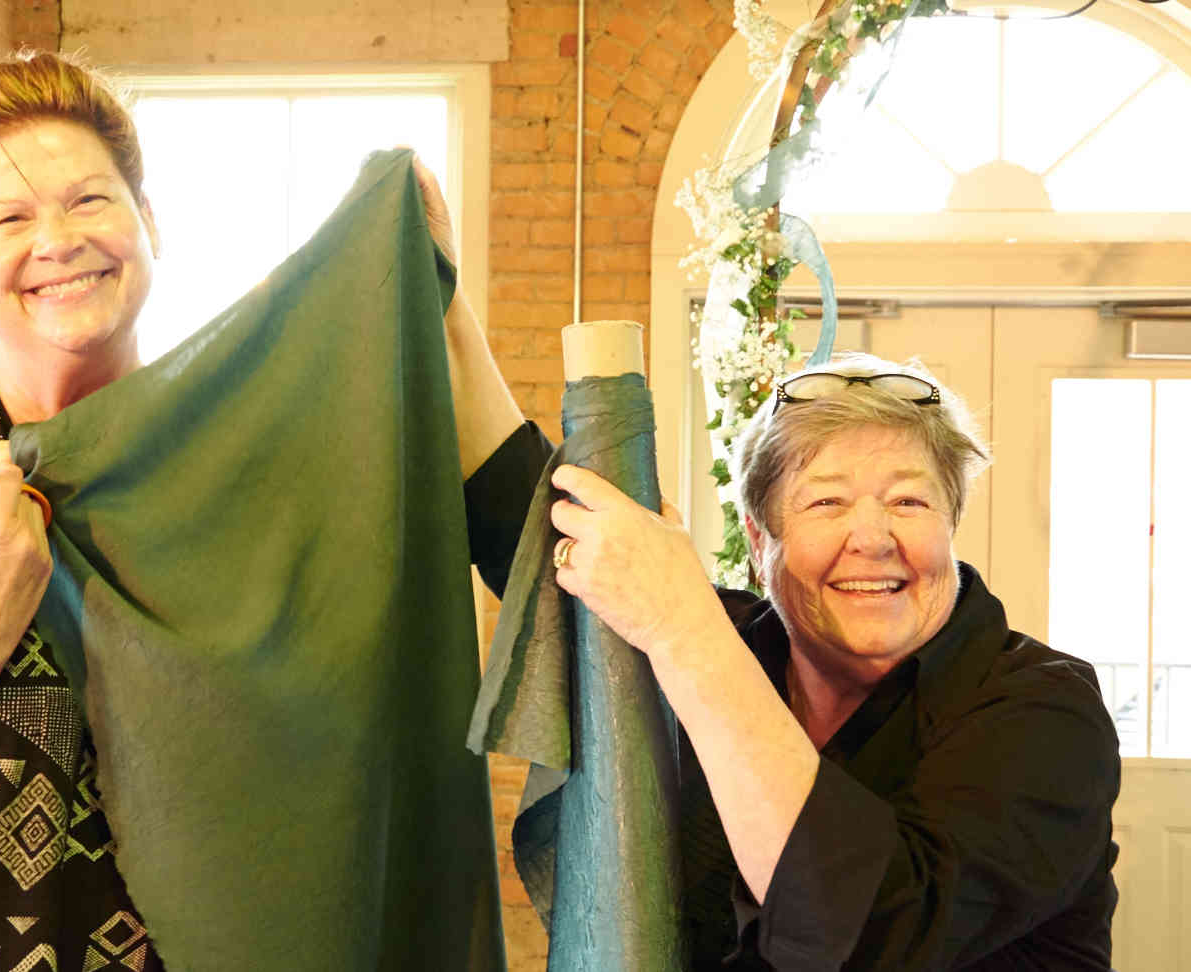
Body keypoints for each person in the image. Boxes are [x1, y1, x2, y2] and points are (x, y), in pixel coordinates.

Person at [0, 50, 523, 969]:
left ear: (149, 221)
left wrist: (423, 295)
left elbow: (507, 577)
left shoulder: (234, 467)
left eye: (89, 200)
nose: (57, 240)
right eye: (9, 219)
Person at [466, 354, 1120, 968]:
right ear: (759, 541)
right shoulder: (734, 640)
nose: (872, 538)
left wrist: (681, 628)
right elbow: (520, 522)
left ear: (950, 527)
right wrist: (442, 300)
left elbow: (869, 937)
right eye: (826, 502)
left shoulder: (1047, 714)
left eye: (909, 501)